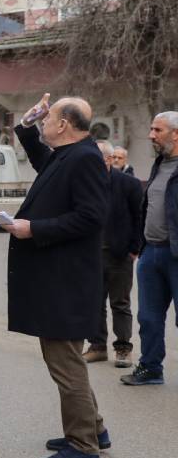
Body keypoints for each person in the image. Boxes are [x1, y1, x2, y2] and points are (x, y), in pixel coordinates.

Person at [2, 93, 110, 458]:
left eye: (48, 118)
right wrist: (28, 125)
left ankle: (83, 447)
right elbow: (42, 163)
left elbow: (91, 217)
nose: (44, 120)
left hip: (67, 282)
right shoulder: (68, 156)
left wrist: (35, 229)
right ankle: (94, 430)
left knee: (65, 363)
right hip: (61, 280)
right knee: (66, 360)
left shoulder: (85, 160)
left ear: (64, 125)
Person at [121, 111, 178, 385]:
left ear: (175, 134)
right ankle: (151, 368)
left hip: (175, 254)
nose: (151, 135)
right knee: (149, 317)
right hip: (151, 253)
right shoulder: (159, 165)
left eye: (157, 130)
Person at [85, 141, 144, 367]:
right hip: (91, 255)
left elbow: (139, 217)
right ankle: (97, 346)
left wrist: (134, 249)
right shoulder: (86, 184)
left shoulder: (129, 184)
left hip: (119, 255)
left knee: (120, 303)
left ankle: (122, 348)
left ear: (108, 160)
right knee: (94, 302)